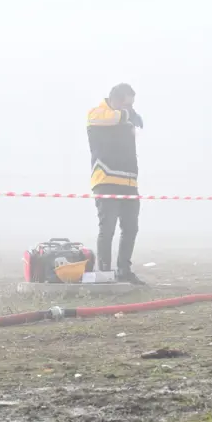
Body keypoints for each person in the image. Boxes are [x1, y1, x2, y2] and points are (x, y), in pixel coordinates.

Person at [87, 83, 146, 285]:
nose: (129, 108)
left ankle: (124, 270)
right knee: (108, 228)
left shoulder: (125, 118)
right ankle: (104, 273)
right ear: (116, 100)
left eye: (131, 105)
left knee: (131, 228)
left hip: (129, 181)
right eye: (126, 104)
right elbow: (110, 118)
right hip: (106, 179)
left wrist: (129, 119)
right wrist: (127, 115)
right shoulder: (97, 114)